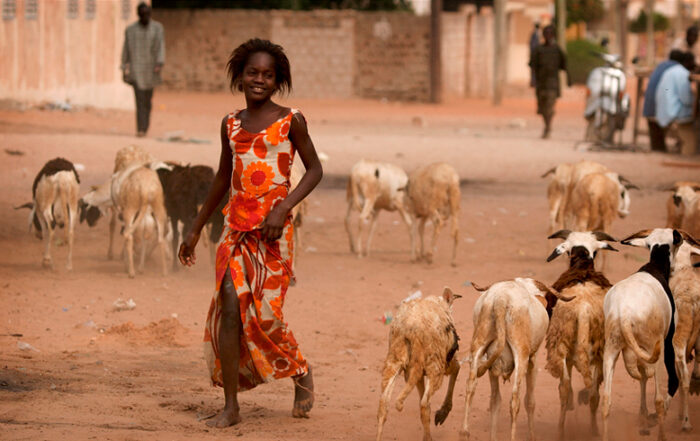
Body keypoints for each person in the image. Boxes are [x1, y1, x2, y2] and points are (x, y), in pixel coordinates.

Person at [178, 38, 323, 428]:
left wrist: (283, 207)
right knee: (230, 308)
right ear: (240, 77)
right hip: (235, 231)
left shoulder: (291, 119)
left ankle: (300, 370)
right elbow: (223, 178)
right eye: (252, 73)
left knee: (265, 317)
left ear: (278, 81)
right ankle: (231, 406)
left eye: (268, 75)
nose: (259, 80)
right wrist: (194, 228)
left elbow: (314, 171)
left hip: (275, 236)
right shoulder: (230, 123)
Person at [121, 2, 165, 137]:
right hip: (136, 69)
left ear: (150, 14)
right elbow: (126, 50)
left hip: (151, 70)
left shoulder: (157, 28)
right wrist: (124, 67)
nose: (144, 17)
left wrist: (159, 63)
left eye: (147, 14)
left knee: (147, 101)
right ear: (138, 15)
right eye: (142, 14)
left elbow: (160, 47)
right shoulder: (130, 30)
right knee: (139, 100)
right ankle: (140, 129)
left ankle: (145, 126)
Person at [529, 25, 571, 139]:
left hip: (553, 84)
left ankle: (548, 127)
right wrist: (532, 80)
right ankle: (547, 124)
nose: (548, 36)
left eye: (550, 33)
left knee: (549, 107)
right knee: (542, 108)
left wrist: (569, 81)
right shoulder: (538, 50)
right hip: (541, 83)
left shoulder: (557, 50)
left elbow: (565, 66)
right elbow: (532, 66)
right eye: (546, 33)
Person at [643, 50, 685, 151]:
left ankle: (658, 149)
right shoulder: (677, 69)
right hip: (660, 107)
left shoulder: (661, 65)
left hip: (649, 107)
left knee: (657, 140)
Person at [655, 51, 696, 152]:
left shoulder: (671, 71)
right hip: (674, 113)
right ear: (687, 62)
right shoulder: (683, 74)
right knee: (691, 141)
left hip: (663, 112)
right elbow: (686, 99)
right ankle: (686, 158)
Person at [529, 22, 540, 88]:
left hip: (536, 54)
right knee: (533, 69)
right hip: (534, 54)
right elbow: (532, 45)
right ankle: (533, 82)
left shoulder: (537, 34)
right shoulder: (534, 34)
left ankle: (534, 82)